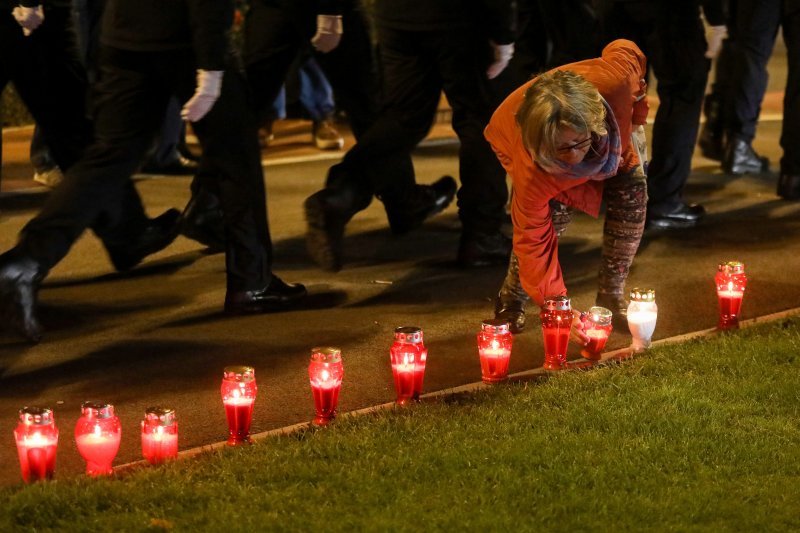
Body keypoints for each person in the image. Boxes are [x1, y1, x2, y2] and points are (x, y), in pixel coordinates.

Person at [0, 0, 306, 343]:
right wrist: (211, 66)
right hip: (184, 37)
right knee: (235, 153)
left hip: (122, 33)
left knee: (108, 157)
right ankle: (251, 280)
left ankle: (26, 261)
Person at [303, 0, 516, 272]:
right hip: (461, 17)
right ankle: (482, 233)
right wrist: (503, 31)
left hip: (396, 15)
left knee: (404, 117)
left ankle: (341, 194)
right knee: (482, 121)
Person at [490, 39, 649, 336]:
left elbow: (626, 48)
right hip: (516, 137)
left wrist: (637, 110)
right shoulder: (535, 165)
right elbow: (533, 241)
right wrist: (559, 307)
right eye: (560, 149)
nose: (572, 157)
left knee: (633, 198)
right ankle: (512, 297)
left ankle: (611, 295)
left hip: (610, 132)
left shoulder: (614, 81)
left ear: (594, 123)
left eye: (576, 143)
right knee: (553, 214)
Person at [595, 0, 726, 231]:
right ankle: (664, 199)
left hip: (613, 7)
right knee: (682, 93)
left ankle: (616, 189)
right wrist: (718, 18)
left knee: (619, 94)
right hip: (671, 12)